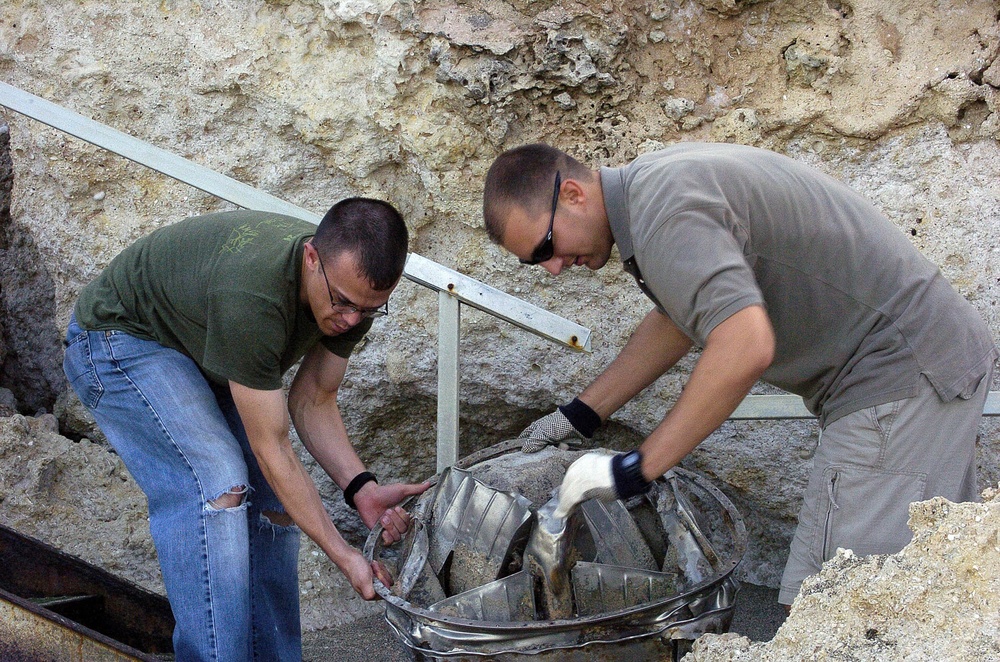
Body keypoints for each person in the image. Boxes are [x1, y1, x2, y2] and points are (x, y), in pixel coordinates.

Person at [482, 142, 997, 606]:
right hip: (917, 364)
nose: (552, 269)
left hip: (899, 375)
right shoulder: (653, 191)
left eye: (546, 247)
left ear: (571, 194)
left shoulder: (667, 213)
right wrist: (579, 415)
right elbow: (679, 320)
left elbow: (744, 344)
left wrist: (636, 469)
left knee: (836, 609)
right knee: (922, 593)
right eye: (535, 263)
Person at [62, 199, 430, 660]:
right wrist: (345, 556)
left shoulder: (351, 292)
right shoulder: (253, 298)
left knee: (274, 503)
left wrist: (361, 487)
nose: (351, 320)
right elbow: (272, 448)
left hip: (198, 351)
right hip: (117, 341)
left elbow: (313, 398)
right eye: (345, 303)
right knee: (218, 483)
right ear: (312, 258)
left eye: (371, 309)